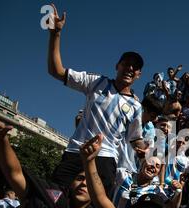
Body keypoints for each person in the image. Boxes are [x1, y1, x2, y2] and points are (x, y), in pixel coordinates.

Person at [47, 4, 146, 197]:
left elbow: (135, 138)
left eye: (135, 67)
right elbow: (56, 71)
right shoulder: (96, 82)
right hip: (77, 151)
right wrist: (55, 34)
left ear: (139, 75)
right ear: (117, 66)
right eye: (126, 63)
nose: (130, 69)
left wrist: (145, 151)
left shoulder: (136, 105)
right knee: (53, 199)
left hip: (105, 158)